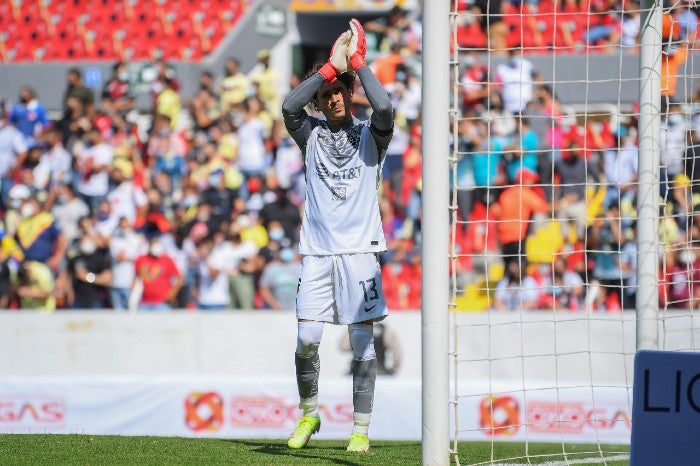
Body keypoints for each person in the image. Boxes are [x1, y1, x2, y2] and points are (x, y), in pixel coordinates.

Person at [281, 19, 393, 453]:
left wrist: (357, 63)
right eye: (326, 96)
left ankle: (360, 428)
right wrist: (329, 68)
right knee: (307, 340)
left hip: (360, 254)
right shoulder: (308, 135)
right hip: (319, 254)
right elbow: (291, 108)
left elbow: (384, 109)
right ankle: (310, 413)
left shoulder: (371, 136)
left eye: (339, 93)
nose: (332, 100)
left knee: (361, 342)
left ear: (350, 97)